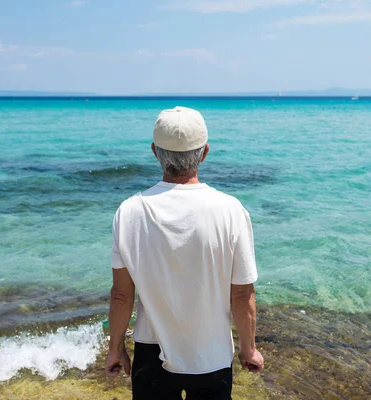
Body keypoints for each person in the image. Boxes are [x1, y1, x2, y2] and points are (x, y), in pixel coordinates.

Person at [104, 106, 263, 399]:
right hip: (211, 352)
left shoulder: (129, 211)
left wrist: (116, 350)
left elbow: (121, 296)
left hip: (152, 353)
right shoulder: (230, 210)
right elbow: (242, 295)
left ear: (155, 152)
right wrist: (248, 349)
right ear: (204, 152)